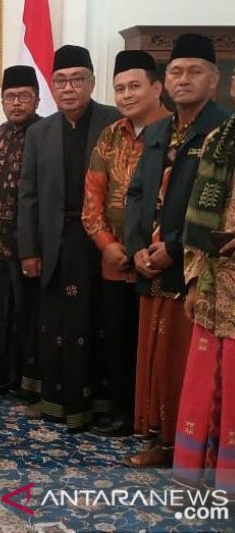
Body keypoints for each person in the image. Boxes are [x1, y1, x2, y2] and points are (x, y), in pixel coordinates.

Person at [125, 33, 227, 467]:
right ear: (164, 82)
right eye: (176, 72)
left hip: (196, 268)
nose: (184, 80)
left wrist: (173, 247)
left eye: (195, 71)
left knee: (187, 362)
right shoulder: (157, 131)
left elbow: (218, 208)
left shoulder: (223, 133)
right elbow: (136, 193)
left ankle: (186, 446)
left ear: (215, 79)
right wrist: (135, 249)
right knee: (153, 357)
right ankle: (159, 439)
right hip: (149, 265)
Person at [17, 45, 120, 431]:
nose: (69, 88)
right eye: (60, 81)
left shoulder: (113, 123)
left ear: (92, 82)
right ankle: (55, 400)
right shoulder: (40, 132)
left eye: (77, 79)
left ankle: (97, 404)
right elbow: (27, 195)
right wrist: (28, 249)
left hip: (100, 242)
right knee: (54, 322)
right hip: (53, 241)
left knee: (96, 321)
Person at [81, 50, 170, 437]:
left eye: (135, 86)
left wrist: (155, 249)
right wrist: (105, 244)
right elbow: (92, 198)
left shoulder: (175, 132)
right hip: (114, 261)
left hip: (163, 262)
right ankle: (122, 412)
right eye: (120, 88)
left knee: (157, 346)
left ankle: (157, 420)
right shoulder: (111, 135)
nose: (127, 95)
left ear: (157, 87)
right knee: (117, 340)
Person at [174, 66, 235, 497]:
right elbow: (197, 219)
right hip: (216, 287)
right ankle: (199, 476)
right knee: (207, 381)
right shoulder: (220, 140)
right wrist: (194, 282)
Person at [0, 65, 41, 395]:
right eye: (10, 97)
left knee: (24, 318)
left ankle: (22, 381)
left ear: (36, 98)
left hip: (26, 246)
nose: (17, 103)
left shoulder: (45, 133)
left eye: (23, 97)